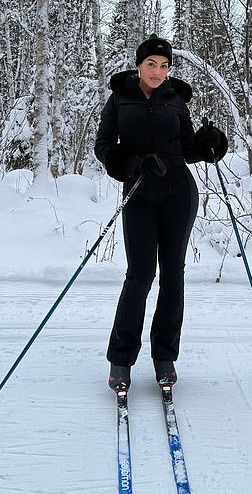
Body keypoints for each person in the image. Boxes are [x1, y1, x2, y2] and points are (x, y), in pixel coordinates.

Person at [94, 34, 228, 391]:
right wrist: (133, 164)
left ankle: (164, 356)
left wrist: (210, 144)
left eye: (164, 66)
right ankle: (121, 359)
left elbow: (187, 148)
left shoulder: (175, 99)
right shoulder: (120, 98)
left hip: (178, 195)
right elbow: (103, 146)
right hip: (138, 193)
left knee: (173, 276)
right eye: (151, 64)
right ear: (139, 65)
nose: (157, 72)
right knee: (139, 275)